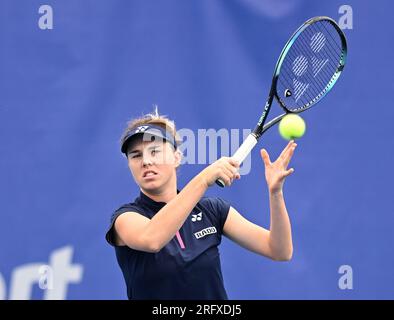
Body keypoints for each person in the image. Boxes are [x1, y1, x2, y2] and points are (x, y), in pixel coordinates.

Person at [105, 109, 297, 300]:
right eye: (136, 155)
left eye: (154, 151)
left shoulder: (212, 210)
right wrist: (204, 178)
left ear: (176, 157)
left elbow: (280, 250)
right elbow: (151, 239)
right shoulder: (125, 219)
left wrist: (276, 193)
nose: (146, 161)